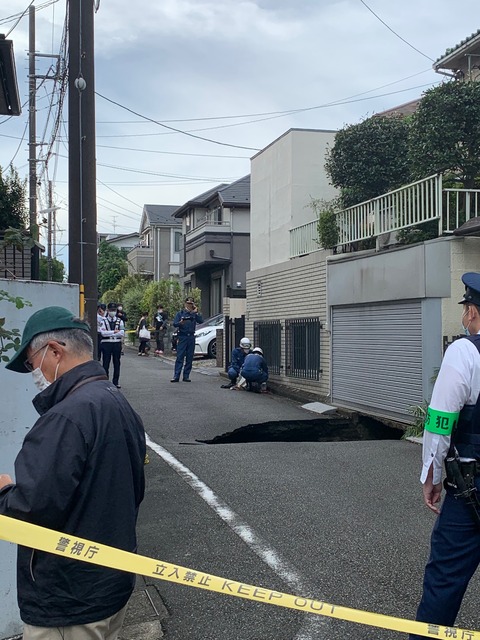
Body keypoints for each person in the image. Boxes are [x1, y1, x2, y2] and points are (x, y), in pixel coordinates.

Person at [0, 306, 146, 640]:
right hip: (110, 584)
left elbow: (31, 510)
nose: (34, 374)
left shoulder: (65, 418)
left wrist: (5, 492)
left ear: (54, 351)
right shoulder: (116, 401)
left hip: (68, 600)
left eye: (31, 363)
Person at [410, 272, 480, 639]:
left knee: (445, 579)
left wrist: (432, 476)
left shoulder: (464, 352)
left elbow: (440, 423)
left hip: (471, 491)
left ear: (472, 312)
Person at [171, 296, 203, 382]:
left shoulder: (194, 313)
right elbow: (175, 324)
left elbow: (201, 321)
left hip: (191, 336)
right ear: (185, 304)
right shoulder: (180, 313)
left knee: (189, 357)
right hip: (182, 336)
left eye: (191, 304)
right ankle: (176, 376)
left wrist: (196, 312)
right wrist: (180, 323)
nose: (189, 305)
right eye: (188, 303)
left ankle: (186, 376)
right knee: (180, 356)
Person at [100, 302, 124, 388]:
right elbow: (103, 333)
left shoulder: (120, 321)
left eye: (114, 310)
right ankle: (105, 382)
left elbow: (121, 333)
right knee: (105, 363)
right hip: (106, 344)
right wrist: (114, 332)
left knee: (117, 363)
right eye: (111, 310)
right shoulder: (103, 320)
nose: (112, 312)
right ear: (108, 310)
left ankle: (116, 382)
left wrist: (109, 333)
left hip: (117, 344)